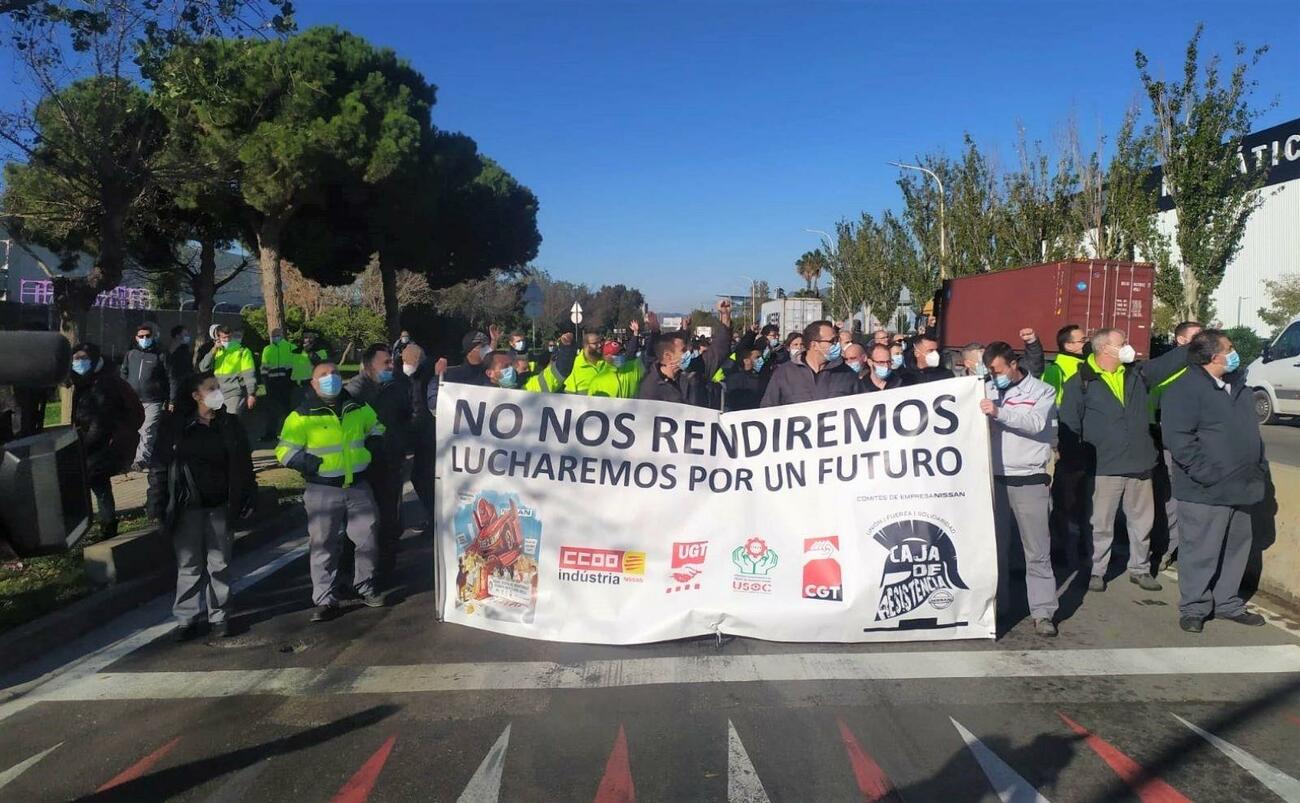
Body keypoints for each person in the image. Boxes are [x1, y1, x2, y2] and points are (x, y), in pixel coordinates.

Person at [1161, 330, 1268, 633]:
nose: (1235, 354)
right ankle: (1194, 607)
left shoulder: (1241, 388)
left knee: (1236, 549)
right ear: (1213, 356)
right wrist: (1206, 473)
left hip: (1243, 486)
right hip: (1205, 489)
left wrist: (1259, 468)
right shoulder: (1184, 389)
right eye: (1229, 349)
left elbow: (1253, 436)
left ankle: (1227, 603)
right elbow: (1178, 439)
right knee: (1200, 549)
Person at [147, 372, 256, 641]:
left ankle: (219, 614)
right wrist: (156, 505)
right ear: (196, 395)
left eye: (218, 387)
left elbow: (244, 463)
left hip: (219, 505)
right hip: (187, 508)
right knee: (189, 565)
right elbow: (160, 468)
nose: (217, 392)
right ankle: (187, 618)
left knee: (219, 563)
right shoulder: (175, 427)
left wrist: (248, 494)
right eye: (211, 388)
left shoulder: (229, 424)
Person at [277, 362, 387, 621]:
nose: (331, 378)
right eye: (324, 375)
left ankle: (365, 586)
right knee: (323, 545)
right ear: (313, 383)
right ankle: (325, 598)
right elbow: (284, 451)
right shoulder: (301, 415)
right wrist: (311, 465)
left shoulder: (358, 407)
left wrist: (373, 447)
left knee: (367, 540)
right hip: (322, 489)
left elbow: (377, 428)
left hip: (358, 486)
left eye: (335, 373)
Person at [1059, 328, 1162, 593]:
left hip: (1139, 462)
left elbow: (1168, 366)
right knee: (1100, 523)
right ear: (1105, 349)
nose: (1129, 347)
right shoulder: (1080, 382)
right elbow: (1070, 424)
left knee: (1142, 521)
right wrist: (1076, 463)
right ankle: (1096, 570)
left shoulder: (1136, 374)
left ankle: (1140, 568)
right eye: (1123, 343)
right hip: (1103, 465)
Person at [980, 342, 1059, 637]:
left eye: (998, 370)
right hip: (994, 480)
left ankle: (1043, 611)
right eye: (990, 371)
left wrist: (999, 412)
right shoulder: (985, 388)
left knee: (1037, 551)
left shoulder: (1041, 391)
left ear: (1013, 364)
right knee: (996, 551)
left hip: (1029, 479)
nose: (995, 376)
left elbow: (1036, 423)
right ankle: (998, 609)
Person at [345, 344, 412, 581]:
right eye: (385, 363)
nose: (391, 367)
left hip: (391, 461)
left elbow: (405, 418)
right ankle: (359, 573)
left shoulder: (397, 387)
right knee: (364, 523)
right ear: (368, 365)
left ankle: (386, 567)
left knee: (389, 518)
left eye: (392, 362)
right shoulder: (354, 392)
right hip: (364, 466)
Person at [1144, 320, 1203, 568]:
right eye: (1197, 337)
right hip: (1168, 444)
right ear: (1180, 341)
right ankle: (1164, 548)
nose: (1203, 341)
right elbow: (1151, 405)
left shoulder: (1205, 367)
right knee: (1169, 499)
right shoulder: (1167, 368)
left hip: (1200, 445)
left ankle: (1177, 548)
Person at [71, 343, 143, 539]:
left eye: (83, 358)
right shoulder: (85, 381)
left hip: (104, 442)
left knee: (96, 482)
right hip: (95, 440)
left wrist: (84, 446)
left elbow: (101, 421)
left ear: (94, 360)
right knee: (97, 483)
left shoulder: (103, 385)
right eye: (75, 359)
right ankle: (104, 524)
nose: (78, 363)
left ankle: (106, 526)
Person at [639, 300, 733, 405]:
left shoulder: (694, 369)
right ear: (668, 356)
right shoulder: (650, 389)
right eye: (683, 350)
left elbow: (718, 351)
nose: (688, 352)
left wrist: (725, 316)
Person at [760, 319, 859, 406]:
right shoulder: (783, 373)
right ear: (814, 345)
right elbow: (768, 409)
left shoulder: (847, 374)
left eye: (837, 341)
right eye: (832, 341)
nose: (837, 345)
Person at [121, 322, 171, 470]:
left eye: (147, 336)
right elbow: (124, 373)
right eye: (141, 336)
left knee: (148, 429)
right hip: (133, 399)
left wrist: (170, 399)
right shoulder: (131, 355)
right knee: (131, 429)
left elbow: (170, 377)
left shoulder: (160, 355)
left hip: (153, 400)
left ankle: (142, 459)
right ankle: (127, 458)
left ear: (153, 337)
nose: (144, 338)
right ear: (136, 338)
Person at [401, 343, 436, 524]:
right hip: (413, 431)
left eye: (411, 362)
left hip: (428, 433)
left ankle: (435, 515)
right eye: (404, 362)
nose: (407, 365)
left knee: (423, 476)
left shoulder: (430, 373)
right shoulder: (401, 376)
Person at [199, 325, 257, 430]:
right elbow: (203, 367)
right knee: (218, 424)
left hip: (235, 392)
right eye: (224, 338)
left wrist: (251, 394)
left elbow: (249, 374)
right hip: (218, 394)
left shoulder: (242, 351)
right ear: (218, 338)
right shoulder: (217, 351)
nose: (227, 340)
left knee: (231, 423)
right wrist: (213, 350)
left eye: (229, 337)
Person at [260, 327, 298, 442]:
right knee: (272, 410)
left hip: (286, 382)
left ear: (282, 335)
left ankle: (292, 432)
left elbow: (296, 365)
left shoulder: (291, 347)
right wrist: (265, 380)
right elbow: (264, 366)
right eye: (273, 336)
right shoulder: (267, 349)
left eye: (277, 335)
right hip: (272, 383)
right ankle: (271, 434)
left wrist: (292, 380)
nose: (275, 337)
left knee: (287, 409)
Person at [1043, 324, 1087, 404]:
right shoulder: (1054, 371)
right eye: (1083, 341)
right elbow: (1049, 404)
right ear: (1068, 346)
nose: (1087, 344)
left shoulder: (1089, 365)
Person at [720, 342, 767, 411]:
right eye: (757, 358)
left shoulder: (764, 377)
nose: (761, 360)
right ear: (746, 361)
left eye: (761, 357)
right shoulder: (735, 379)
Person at [168, 325, 195, 395]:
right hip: (176, 384)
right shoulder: (172, 351)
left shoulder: (185, 349)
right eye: (185, 334)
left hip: (185, 384)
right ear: (177, 336)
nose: (187, 337)